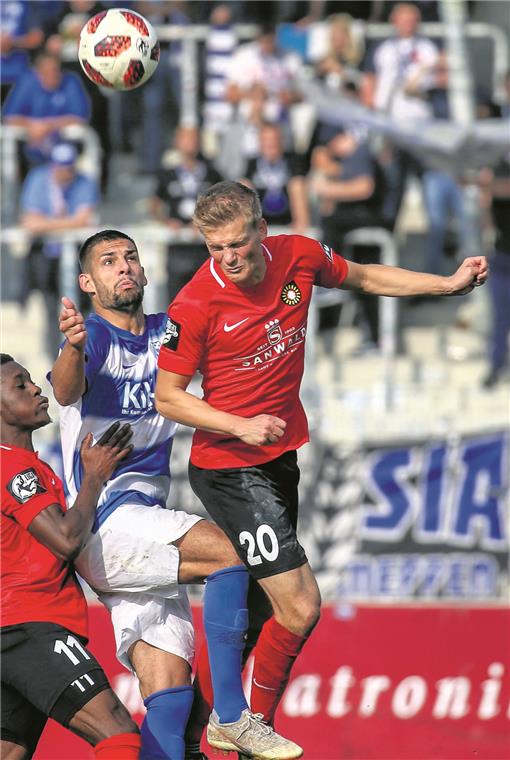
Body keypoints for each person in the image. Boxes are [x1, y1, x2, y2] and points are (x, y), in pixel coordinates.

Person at [154, 180, 488, 732]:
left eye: (238, 243)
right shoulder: (193, 304)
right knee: (302, 605)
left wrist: (446, 285)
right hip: (229, 467)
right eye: (216, 249)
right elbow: (169, 396)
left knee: (266, 616)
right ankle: (247, 725)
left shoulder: (299, 255)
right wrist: (242, 424)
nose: (230, 258)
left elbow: (365, 276)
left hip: (279, 456)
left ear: (262, 229)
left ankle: (205, 726)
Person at [49, 229, 302, 760]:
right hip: (107, 519)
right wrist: (71, 348)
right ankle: (233, 717)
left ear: (143, 271)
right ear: (87, 282)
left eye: (131, 258)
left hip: (140, 534)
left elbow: (231, 350)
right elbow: (66, 389)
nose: (124, 267)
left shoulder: (171, 331)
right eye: (109, 261)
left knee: (170, 692)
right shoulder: (91, 338)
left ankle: (195, 732)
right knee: (233, 552)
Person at [0, 353, 141, 759]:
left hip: (14, 631)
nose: (36, 389)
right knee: (117, 730)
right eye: (20, 385)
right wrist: (95, 476)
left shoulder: (26, 466)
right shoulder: (12, 469)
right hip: (30, 625)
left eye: (31, 380)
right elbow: (65, 539)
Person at [19, 141, 99, 357]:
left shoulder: (84, 181)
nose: (64, 172)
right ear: (52, 165)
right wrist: (68, 222)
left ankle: (82, 357)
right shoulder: (38, 178)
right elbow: (29, 222)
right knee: (48, 307)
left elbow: (84, 220)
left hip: (75, 256)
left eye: (68, 167)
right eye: (60, 166)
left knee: (81, 306)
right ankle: (54, 358)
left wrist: (48, 224)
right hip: (44, 256)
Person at [150, 125, 223, 302]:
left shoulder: (213, 174)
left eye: (193, 138)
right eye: (185, 138)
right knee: (178, 302)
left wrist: (205, 222)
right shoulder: (167, 174)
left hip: (205, 249)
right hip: (177, 248)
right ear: (177, 142)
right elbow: (153, 205)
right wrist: (166, 221)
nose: (190, 143)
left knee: (207, 302)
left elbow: (223, 205)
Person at [2, 49, 90, 170]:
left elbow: (80, 116)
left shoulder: (70, 81)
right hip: (28, 141)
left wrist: (48, 126)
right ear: (38, 72)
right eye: (46, 72)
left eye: (55, 70)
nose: (52, 75)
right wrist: (32, 126)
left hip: (64, 141)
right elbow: (10, 116)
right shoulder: (26, 82)